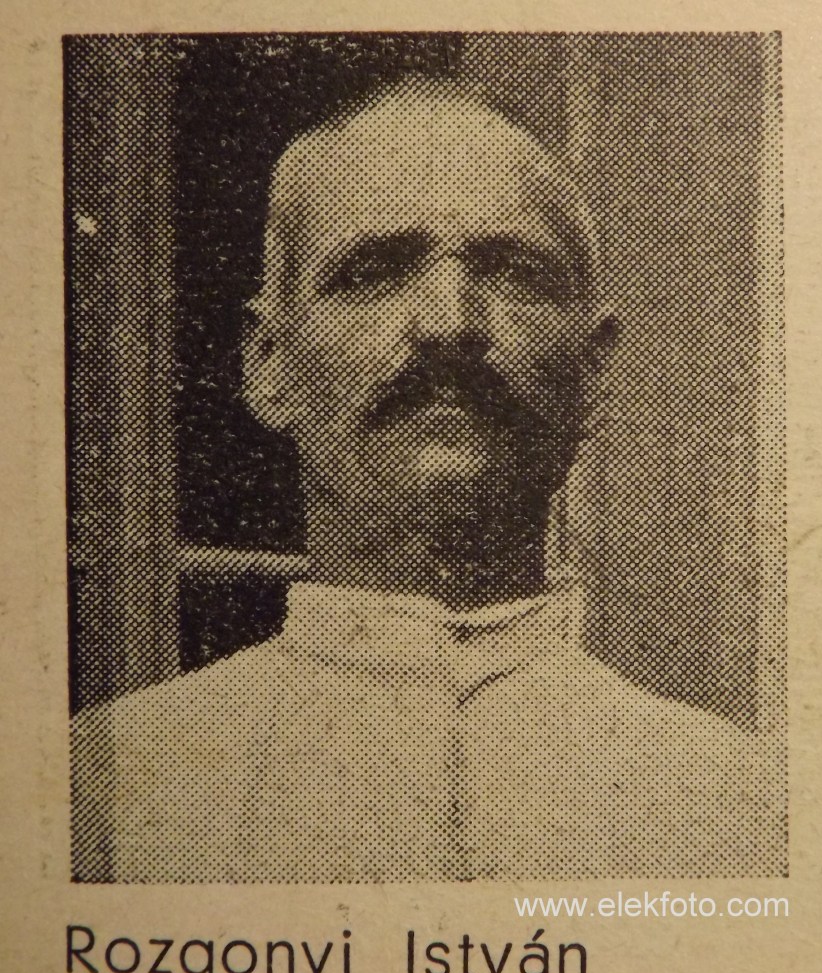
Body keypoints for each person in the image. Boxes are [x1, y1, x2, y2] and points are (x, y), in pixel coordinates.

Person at [72, 76, 784, 882]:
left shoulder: (746, 814)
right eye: (371, 271)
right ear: (270, 363)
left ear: (593, 374)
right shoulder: (97, 802)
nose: (450, 323)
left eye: (514, 271)